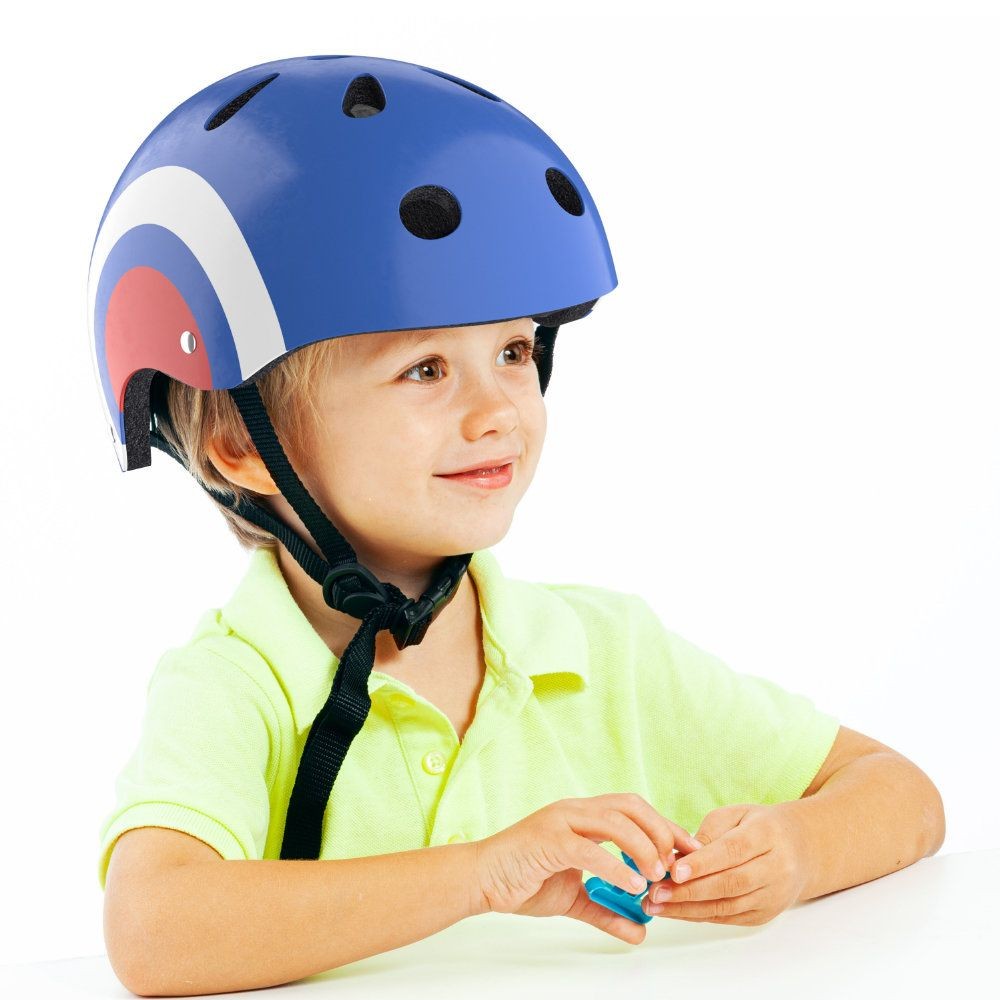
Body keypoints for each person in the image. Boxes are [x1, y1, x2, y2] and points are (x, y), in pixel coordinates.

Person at [90, 54, 945, 996]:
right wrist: (481, 874)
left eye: (513, 351)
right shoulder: (238, 681)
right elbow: (152, 934)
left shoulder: (603, 653)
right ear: (241, 448)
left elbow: (900, 794)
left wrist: (795, 850)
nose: (499, 409)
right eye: (425, 370)